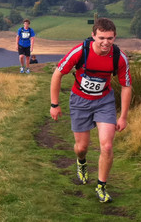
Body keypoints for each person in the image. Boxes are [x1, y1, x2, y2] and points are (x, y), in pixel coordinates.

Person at [49, 17, 131, 203]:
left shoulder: (119, 57)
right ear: (93, 35)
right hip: (80, 101)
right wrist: (55, 104)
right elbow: (57, 74)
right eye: (101, 37)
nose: (106, 42)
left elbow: (126, 86)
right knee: (82, 147)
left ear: (115, 37)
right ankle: (81, 162)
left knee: (107, 145)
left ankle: (101, 186)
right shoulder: (80, 52)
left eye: (110, 38)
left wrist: (123, 116)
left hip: (104, 102)